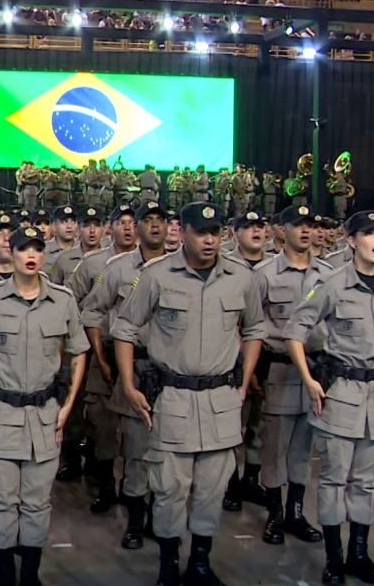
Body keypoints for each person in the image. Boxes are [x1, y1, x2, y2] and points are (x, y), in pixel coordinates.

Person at [112, 201, 266, 586]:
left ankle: (200, 562)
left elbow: (255, 329)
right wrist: (130, 385)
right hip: (173, 399)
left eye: (215, 233)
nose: (210, 240)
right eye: (202, 232)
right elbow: (126, 328)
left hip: (220, 402)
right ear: (183, 231)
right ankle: (168, 565)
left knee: (213, 490)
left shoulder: (240, 277)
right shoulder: (158, 275)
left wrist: (244, 380)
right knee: (169, 490)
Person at [0, 225, 89, 586]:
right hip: (0, 416)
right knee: (0, 504)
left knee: (37, 505)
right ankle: (5, 575)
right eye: (24, 248)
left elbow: (79, 350)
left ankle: (30, 575)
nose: (31, 256)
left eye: (38, 250)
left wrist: (68, 404)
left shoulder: (62, 300)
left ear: (44, 255)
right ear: (11, 251)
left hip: (44, 417)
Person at [283, 210, 374, 585]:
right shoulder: (332, 284)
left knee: (367, 481)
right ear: (352, 240)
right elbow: (296, 330)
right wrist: (309, 379)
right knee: (334, 479)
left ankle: (359, 553)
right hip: (342, 395)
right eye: (370, 234)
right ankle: (334, 558)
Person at [78, 201, 166, 550]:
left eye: (161, 220)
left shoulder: (180, 268)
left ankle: (161, 517)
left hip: (171, 373)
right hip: (134, 366)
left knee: (167, 451)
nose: (153, 226)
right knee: (135, 450)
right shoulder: (116, 269)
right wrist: (103, 359)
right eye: (146, 221)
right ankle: (134, 520)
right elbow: (92, 312)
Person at [248, 205, 330, 546]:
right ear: (281, 230)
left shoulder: (326, 274)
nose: (306, 231)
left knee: (303, 448)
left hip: (316, 370)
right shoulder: (264, 275)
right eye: (298, 225)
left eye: (311, 225)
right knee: (275, 447)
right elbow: (250, 326)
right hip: (279, 370)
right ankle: (275, 514)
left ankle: (296, 512)